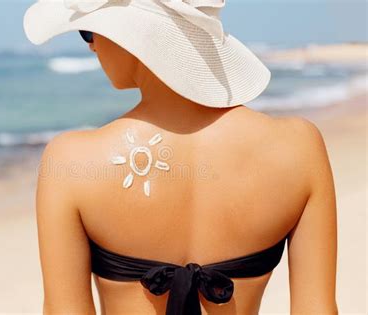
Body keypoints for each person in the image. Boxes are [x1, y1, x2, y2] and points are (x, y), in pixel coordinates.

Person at [24, 1, 338, 314]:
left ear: (131, 35)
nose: (92, 46)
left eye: (88, 31)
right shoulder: (298, 147)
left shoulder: (69, 161)